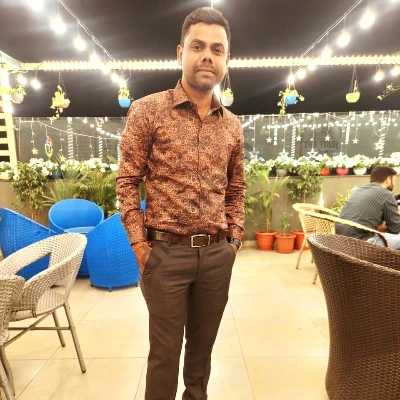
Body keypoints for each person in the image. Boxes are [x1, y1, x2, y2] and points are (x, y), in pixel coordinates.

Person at [116, 7, 245, 400]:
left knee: (201, 357)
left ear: (226, 59)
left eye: (217, 49)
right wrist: (139, 245)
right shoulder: (147, 110)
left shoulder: (232, 125)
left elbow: (236, 188)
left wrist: (234, 241)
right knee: (164, 357)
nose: (207, 56)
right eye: (198, 46)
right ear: (180, 52)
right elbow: (127, 180)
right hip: (165, 255)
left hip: (217, 255)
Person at [336, 166, 400, 249]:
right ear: (388, 179)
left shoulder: (359, 190)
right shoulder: (386, 194)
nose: (394, 184)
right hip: (361, 243)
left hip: (341, 240)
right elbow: (395, 229)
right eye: (394, 181)